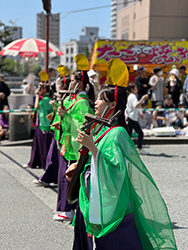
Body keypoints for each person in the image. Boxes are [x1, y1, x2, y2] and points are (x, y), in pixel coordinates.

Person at [69, 58, 177, 250]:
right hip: (103, 196)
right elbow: (99, 159)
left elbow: (116, 169)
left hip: (114, 202)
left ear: (111, 106)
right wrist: (81, 164)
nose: (96, 102)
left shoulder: (117, 132)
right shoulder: (104, 129)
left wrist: (91, 147)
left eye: (101, 99)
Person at [53, 54, 95, 222]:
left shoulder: (82, 103)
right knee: (67, 177)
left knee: (71, 177)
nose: (69, 84)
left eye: (72, 81)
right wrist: (62, 118)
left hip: (75, 147)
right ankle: (67, 208)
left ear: (80, 84)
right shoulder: (76, 100)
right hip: (69, 144)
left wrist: (66, 118)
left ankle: (69, 209)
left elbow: (82, 125)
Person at [32, 65, 71, 186]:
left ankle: (47, 178)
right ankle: (49, 177)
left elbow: (37, 107)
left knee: (50, 156)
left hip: (59, 132)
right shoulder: (59, 98)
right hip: (56, 130)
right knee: (51, 156)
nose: (57, 86)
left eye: (59, 84)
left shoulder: (47, 99)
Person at [23, 72, 53, 169]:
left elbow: (36, 107)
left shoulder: (46, 99)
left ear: (45, 88)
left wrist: (36, 96)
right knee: (37, 145)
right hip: (40, 124)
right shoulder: (43, 98)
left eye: (40, 88)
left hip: (44, 125)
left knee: (43, 147)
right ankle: (34, 162)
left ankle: (44, 164)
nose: (38, 89)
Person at [126, 82, 149, 155]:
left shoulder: (130, 96)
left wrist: (140, 114)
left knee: (129, 135)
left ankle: (128, 149)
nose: (137, 89)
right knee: (140, 133)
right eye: (135, 88)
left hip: (131, 117)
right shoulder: (132, 96)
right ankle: (139, 148)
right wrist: (143, 99)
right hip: (132, 118)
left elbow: (133, 107)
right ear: (132, 89)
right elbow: (136, 105)